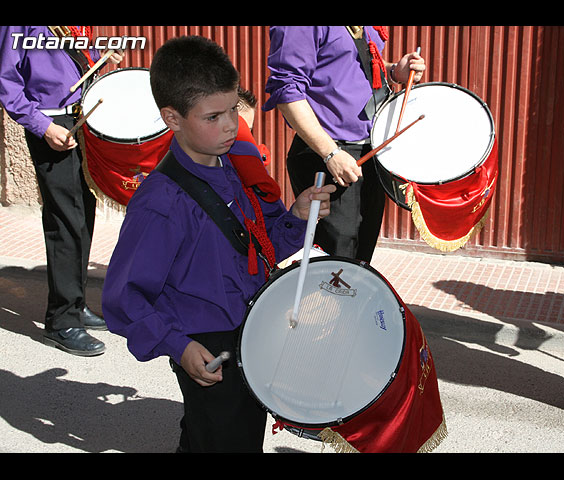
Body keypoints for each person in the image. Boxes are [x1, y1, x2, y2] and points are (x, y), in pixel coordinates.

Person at [101, 35, 335, 453]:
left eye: (232, 110)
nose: (230, 125)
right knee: (225, 437)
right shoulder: (161, 204)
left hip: (249, 330)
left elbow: (258, 248)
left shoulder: (230, 166)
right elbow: (124, 297)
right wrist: (180, 346)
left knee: (228, 434)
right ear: (172, 118)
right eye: (213, 117)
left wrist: (297, 217)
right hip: (206, 344)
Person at [0, 26, 124, 356]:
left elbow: (73, 64)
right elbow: (7, 85)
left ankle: (75, 302)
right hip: (52, 124)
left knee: (82, 214)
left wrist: (100, 58)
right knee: (65, 219)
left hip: (84, 119)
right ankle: (60, 320)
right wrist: (43, 127)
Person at [263, 26, 425, 263]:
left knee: (360, 258)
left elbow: (349, 64)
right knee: (335, 264)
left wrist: (393, 71)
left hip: (368, 151)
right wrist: (331, 154)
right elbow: (287, 92)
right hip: (328, 156)